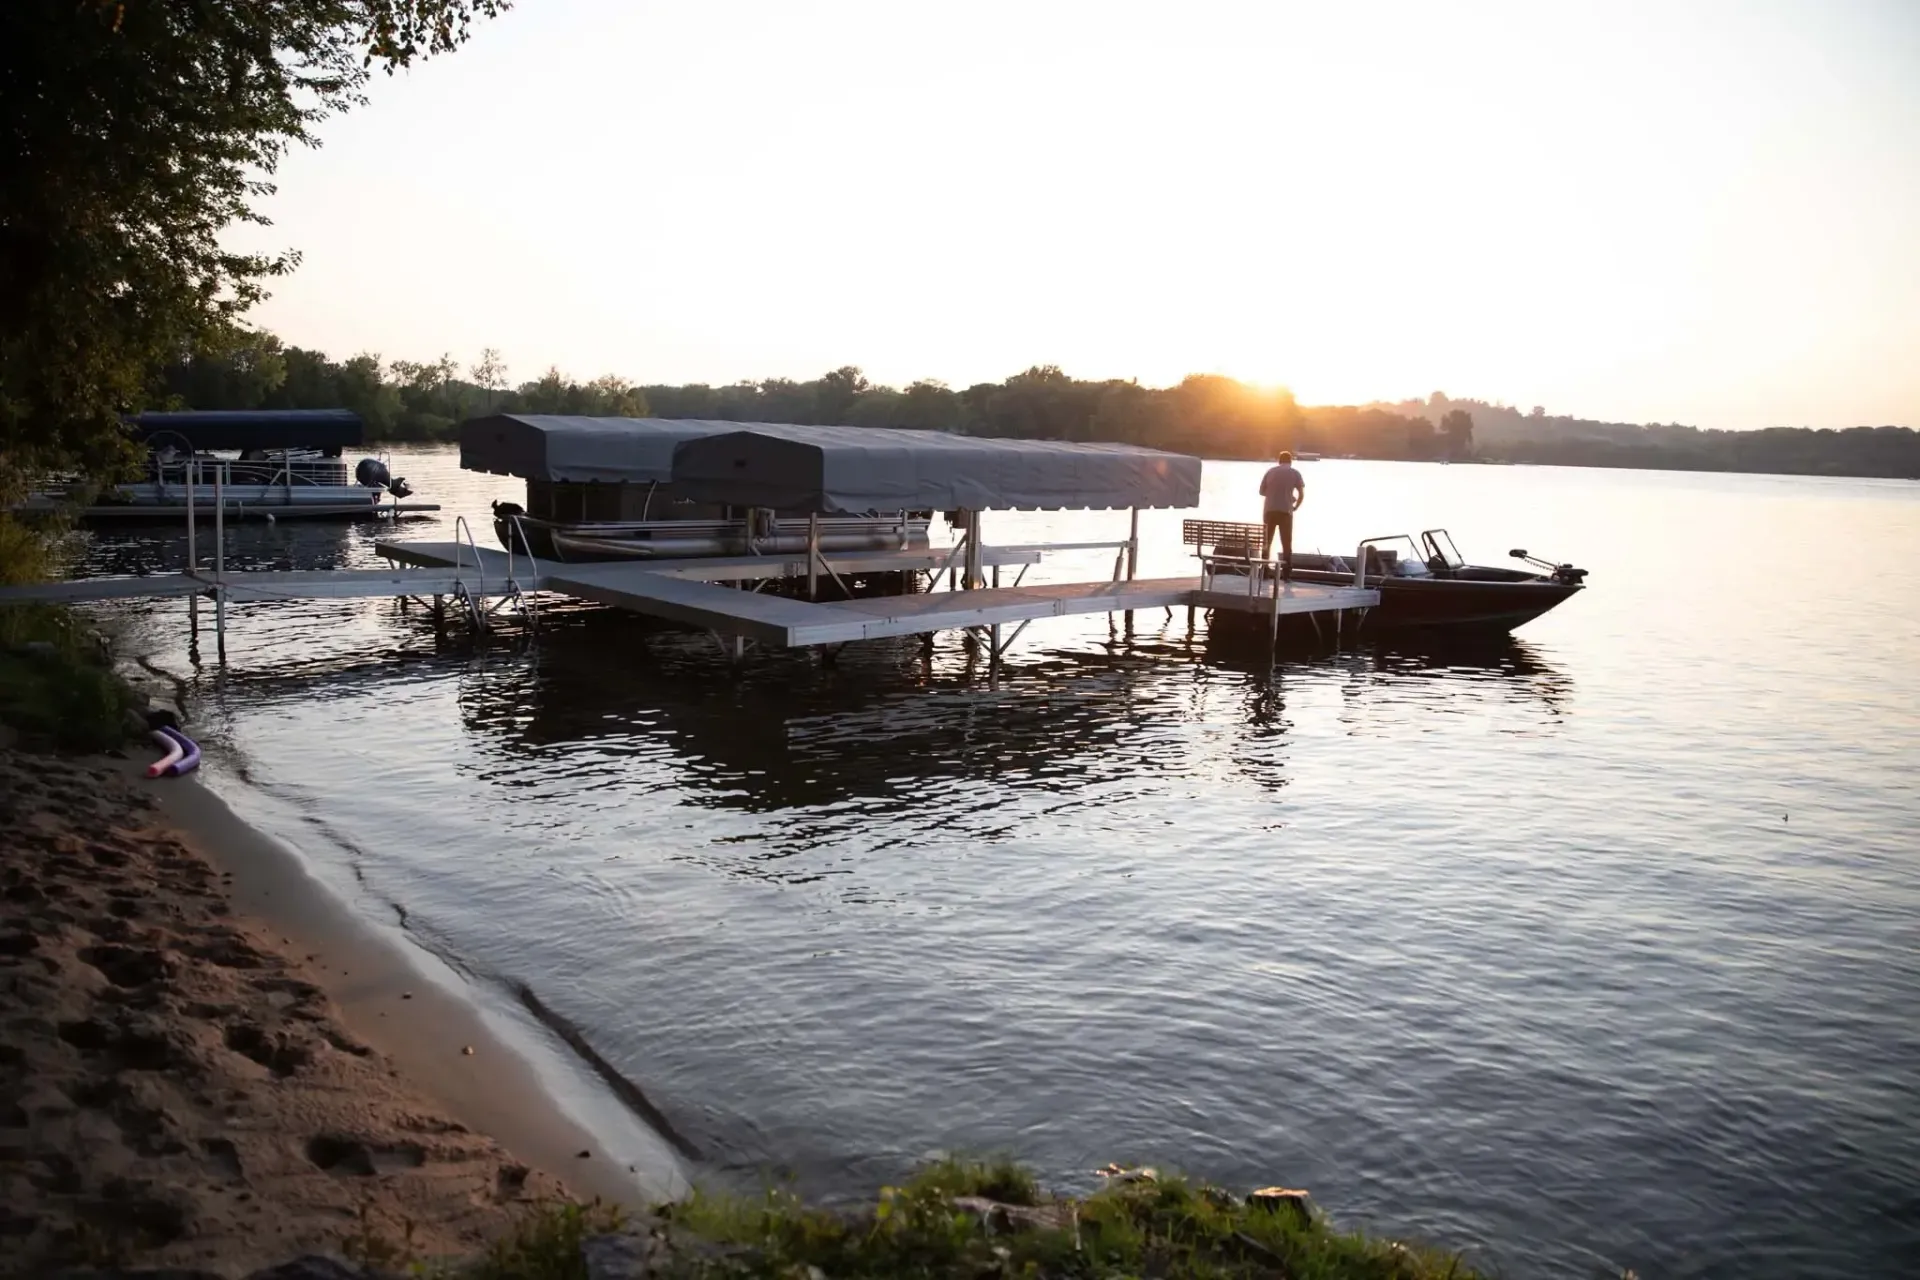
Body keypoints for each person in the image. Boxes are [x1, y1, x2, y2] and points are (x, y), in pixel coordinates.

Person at [1258, 450, 1306, 576]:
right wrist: (1295, 505)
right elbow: (1301, 494)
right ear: (1290, 461)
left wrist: (1275, 493)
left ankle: (1264, 570)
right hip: (1286, 511)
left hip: (1269, 511)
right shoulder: (1295, 473)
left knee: (1267, 541)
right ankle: (1286, 573)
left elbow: (1262, 491)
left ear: (1279, 461)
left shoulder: (1270, 471)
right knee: (1286, 543)